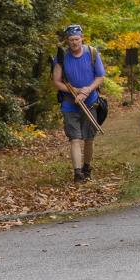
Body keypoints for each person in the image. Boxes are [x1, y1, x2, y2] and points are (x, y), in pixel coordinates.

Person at [50, 24, 105, 182]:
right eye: (71, 40)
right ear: (67, 41)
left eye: (76, 39)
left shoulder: (92, 53)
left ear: (82, 38)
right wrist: (74, 91)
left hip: (91, 102)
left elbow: (100, 77)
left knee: (89, 139)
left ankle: (87, 166)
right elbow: (57, 81)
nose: (74, 42)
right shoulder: (61, 57)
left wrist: (86, 90)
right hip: (69, 104)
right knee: (75, 138)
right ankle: (77, 173)